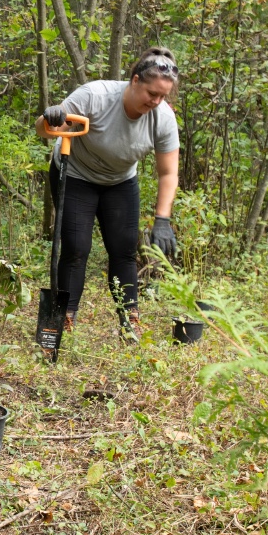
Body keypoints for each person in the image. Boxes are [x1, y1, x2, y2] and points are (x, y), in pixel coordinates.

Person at [34, 47, 180, 342]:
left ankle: (129, 321)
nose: (156, 101)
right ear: (135, 80)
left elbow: (168, 173)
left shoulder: (162, 118)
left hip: (121, 181)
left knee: (124, 250)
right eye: (152, 93)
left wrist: (162, 219)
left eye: (163, 96)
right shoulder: (95, 97)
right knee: (76, 248)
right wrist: (48, 120)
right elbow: (44, 131)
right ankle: (64, 320)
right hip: (75, 173)